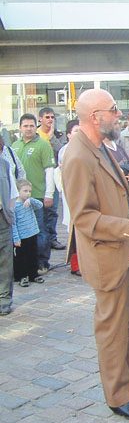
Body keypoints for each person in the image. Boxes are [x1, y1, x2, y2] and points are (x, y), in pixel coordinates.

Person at [62, 88, 129, 420]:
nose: (119, 114)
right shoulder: (76, 156)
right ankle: (117, 395)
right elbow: (84, 218)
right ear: (94, 117)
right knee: (113, 327)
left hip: (126, 251)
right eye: (113, 110)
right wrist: (128, 228)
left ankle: (127, 378)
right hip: (107, 255)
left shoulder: (100, 146)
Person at [12, 114, 56, 275]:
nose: (28, 129)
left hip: (37, 195)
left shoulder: (43, 145)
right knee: (23, 231)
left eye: (31, 125)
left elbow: (49, 170)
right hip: (18, 198)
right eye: (25, 126)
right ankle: (27, 264)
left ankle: (42, 262)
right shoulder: (14, 145)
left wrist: (49, 194)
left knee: (40, 230)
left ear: (35, 126)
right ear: (20, 128)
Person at [37, 107, 66, 251]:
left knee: (53, 210)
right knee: (40, 211)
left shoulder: (58, 135)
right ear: (40, 119)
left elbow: (61, 151)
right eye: (47, 117)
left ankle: (52, 238)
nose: (50, 120)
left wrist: (52, 137)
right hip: (38, 178)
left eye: (52, 117)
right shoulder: (35, 134)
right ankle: (42, 240)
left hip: (53, 178)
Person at [57, 120, 82, 276]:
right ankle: (75, 264)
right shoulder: (65, 150)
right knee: (74, 233)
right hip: (73, 196)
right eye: (75, 131)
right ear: (68, 135)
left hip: (84, 194)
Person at [12, 179, 45, 287]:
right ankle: (22, 276)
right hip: (22, 236)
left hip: (32, 232)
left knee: (33, 254)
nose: (28, 193)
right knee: (21, 257)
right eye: (25, 191)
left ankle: (33, 274)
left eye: (29, 191)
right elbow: (14, 224)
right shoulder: (14, 206)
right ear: (18, 191)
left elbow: (40, 205)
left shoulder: (30, 202)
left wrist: (31, 200)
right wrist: (16, 238)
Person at [0, 156, 17, 316]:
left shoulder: (4, 164)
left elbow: (12, 193)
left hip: (2, 218)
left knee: (5, 261)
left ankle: (4, 300)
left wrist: (9, 215)